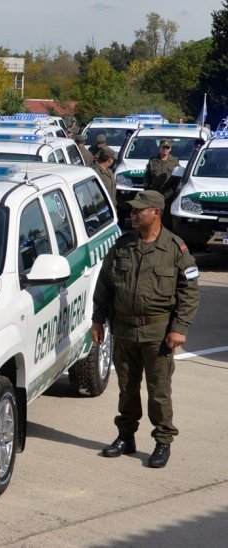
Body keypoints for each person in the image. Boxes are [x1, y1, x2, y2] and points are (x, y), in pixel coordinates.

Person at [91, 190, 199, 468]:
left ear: (156, 213)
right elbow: (105, 284)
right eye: (132, 210)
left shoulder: (175, 249)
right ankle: (126, 437)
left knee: (158, 391)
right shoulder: (123, 245)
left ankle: (163, 441)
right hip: (124, 329)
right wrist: (97, 319)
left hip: (158, 334)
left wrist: (180, 327)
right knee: (126, 388)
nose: (133, 214)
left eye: (140, 210)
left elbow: (189, 293)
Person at [144, 139, 180, 204]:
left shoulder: (174, 162)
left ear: (170, 149)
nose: (165, 149)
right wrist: (147, 189)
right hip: (155, 192)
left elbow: (178, 178)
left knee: (166, 212)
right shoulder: (153, 160)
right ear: (159, 148)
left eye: (167, 147)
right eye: (163, 147)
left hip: (168, 194)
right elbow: (147, 175)